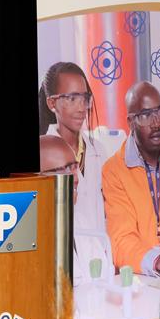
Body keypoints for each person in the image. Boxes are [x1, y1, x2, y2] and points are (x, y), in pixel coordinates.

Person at [102, 81, 160, 278]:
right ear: (130, 122)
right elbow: (121, 241)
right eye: (145, 115)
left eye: (159, 112)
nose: (156, 122)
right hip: (144, 281)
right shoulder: (114, 170)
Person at [39, 62, 110, 284]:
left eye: (84, 98)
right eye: (71, 98)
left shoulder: (99, 151)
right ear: (52, 103)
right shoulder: (43, 154)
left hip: (101, 262)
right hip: (61, 268)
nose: (81, 107)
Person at [39, 134, 110, 284]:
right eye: (62, 170)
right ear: (37, 178)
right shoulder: (32, 236)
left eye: (73, 167)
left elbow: (102, 278)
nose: (75, 177)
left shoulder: (81, 221)